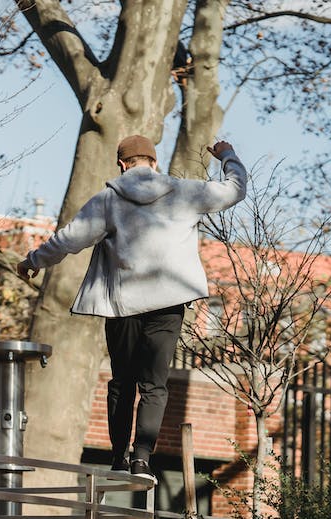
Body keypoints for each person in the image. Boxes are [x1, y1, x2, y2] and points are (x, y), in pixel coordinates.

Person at [16, 135, 247, 479]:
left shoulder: (108, 200)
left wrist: (34, 259)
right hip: (169, 304)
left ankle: (117, 458)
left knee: (122, 382)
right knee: (154, 384)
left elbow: (69, 238)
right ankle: (142, 459)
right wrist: (227, 154)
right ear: (154, 163)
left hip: (123, 306)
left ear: (121, 165)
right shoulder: (185, 192)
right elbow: (234, 189)